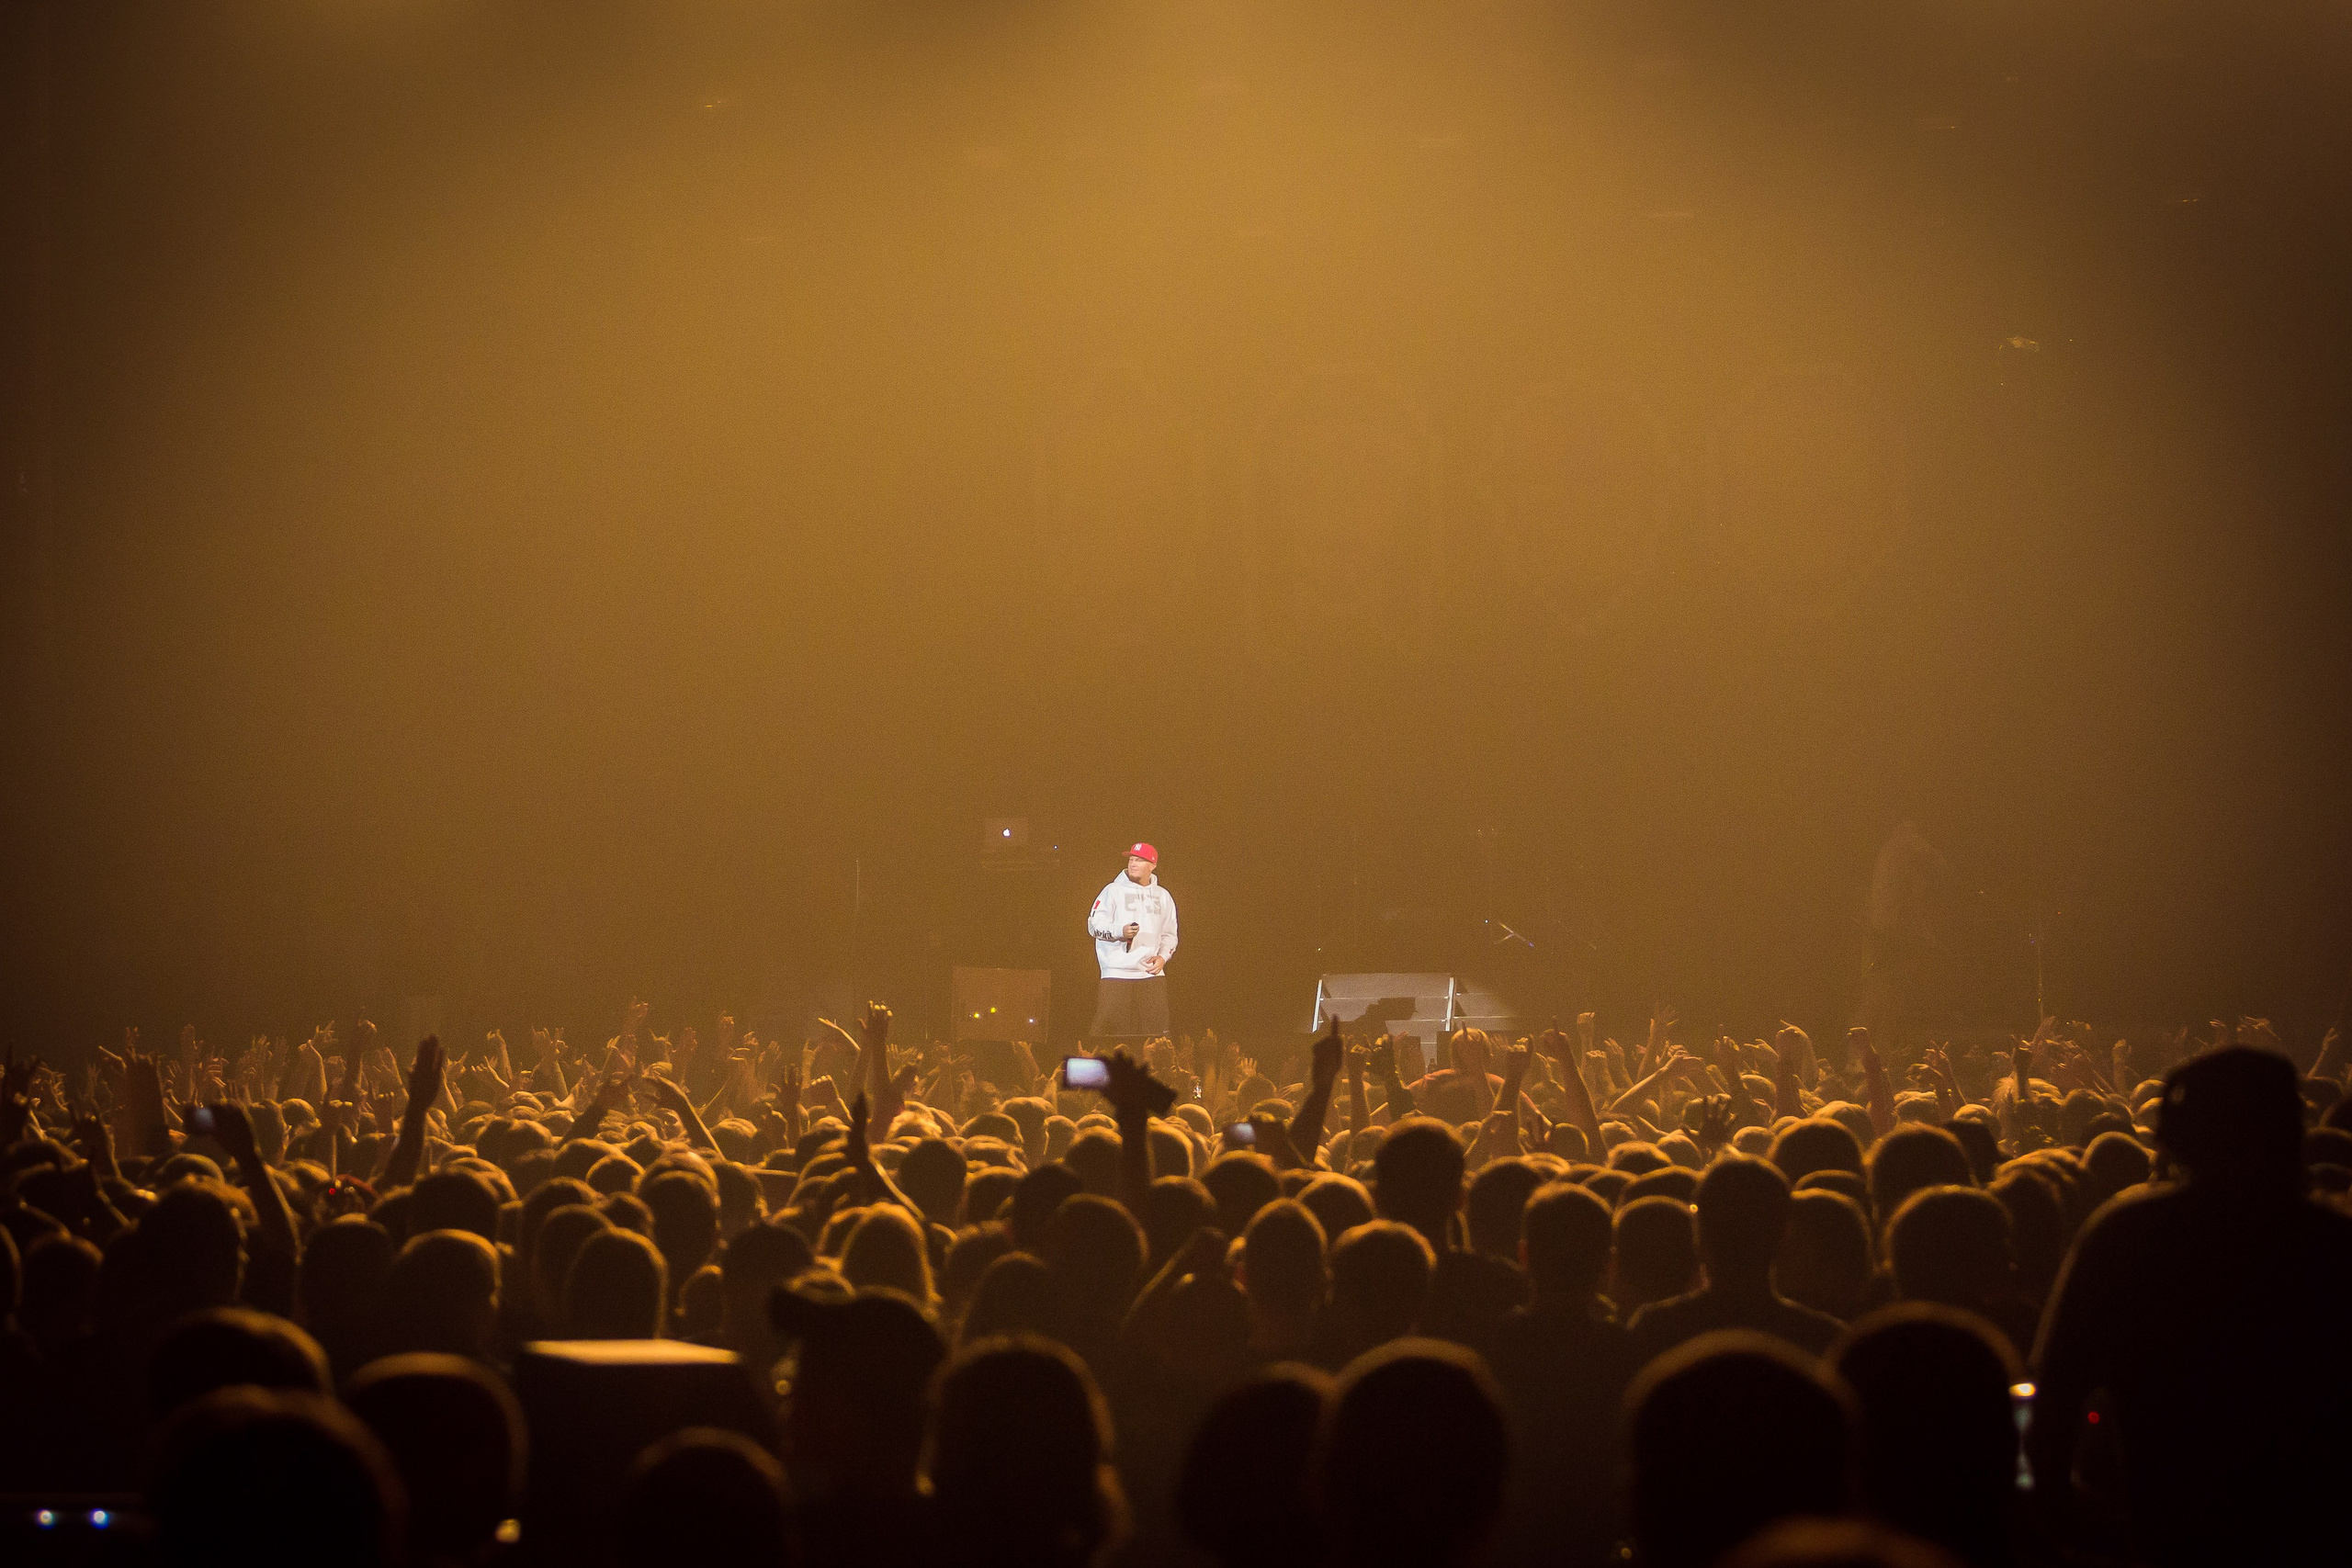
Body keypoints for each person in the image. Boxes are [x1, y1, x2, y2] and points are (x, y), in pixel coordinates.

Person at [1086, 843, 1178, 1043]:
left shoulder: (1163, 896)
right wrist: (1121, 931)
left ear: (1152, 865)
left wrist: (1163, 957)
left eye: (1139, 860)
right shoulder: (1112, 890)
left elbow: (1170, 934)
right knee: (1110, 1040)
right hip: (1116, 973)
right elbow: (1093, 926)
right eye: (1131, 859)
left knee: (1157, 1040)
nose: (1133, 864)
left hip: (1151, 975)